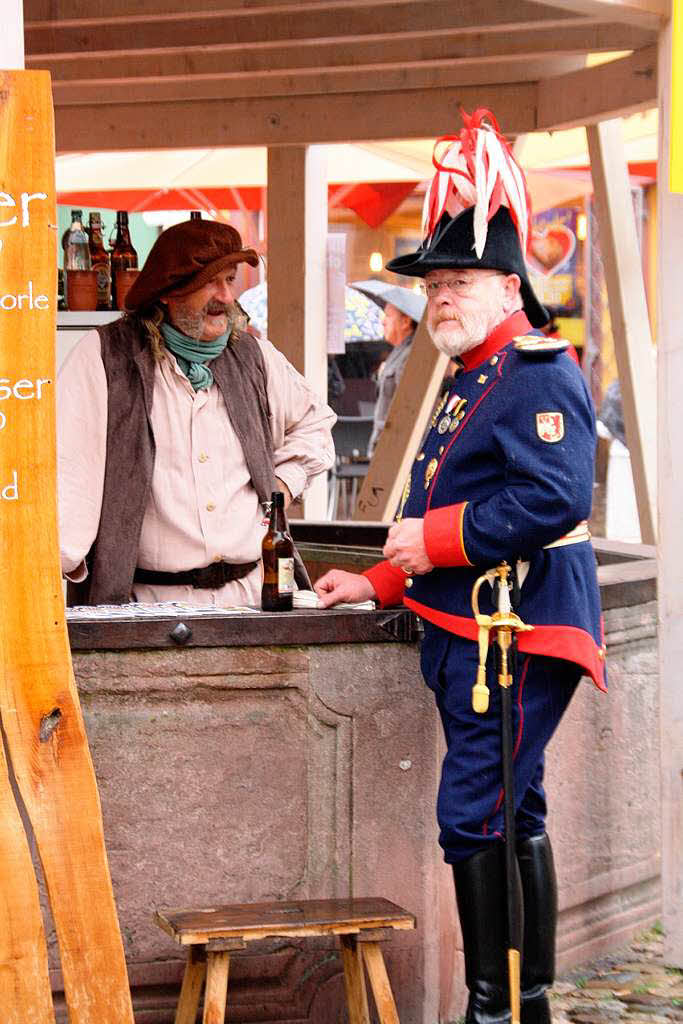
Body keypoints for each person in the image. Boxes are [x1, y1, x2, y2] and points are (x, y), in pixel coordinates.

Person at [315, 109, 605, 1024]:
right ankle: (528, 1007)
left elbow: (556, 499)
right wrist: (377, 579)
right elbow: (430, 503)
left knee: (473, 813)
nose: (438, 295)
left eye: (457, 279)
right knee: (511, 813)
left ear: (507, 282)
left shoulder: (533, 368)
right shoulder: (470, 370)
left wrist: (434, 546)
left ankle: (495, 1012)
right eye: (433, 282)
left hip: (515, 627)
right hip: (472, 625)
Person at [58, 218, 335, 607]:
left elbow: (316, 423)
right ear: (168, 291)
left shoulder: (254, 356)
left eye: (231, 279)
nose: (225, 295)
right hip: (146, 602)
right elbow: (70, 471)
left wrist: (281, 485)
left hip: (252, 596)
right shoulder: (103, 358)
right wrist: (55, 566)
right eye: (210, 282)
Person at [366, 286, 426, 456]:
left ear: (406, 321)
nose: (382, 321)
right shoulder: (399, 351)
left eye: (388, 315)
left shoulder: (412, 355)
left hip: (398, 451)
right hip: (387, 446)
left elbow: (408, 411)